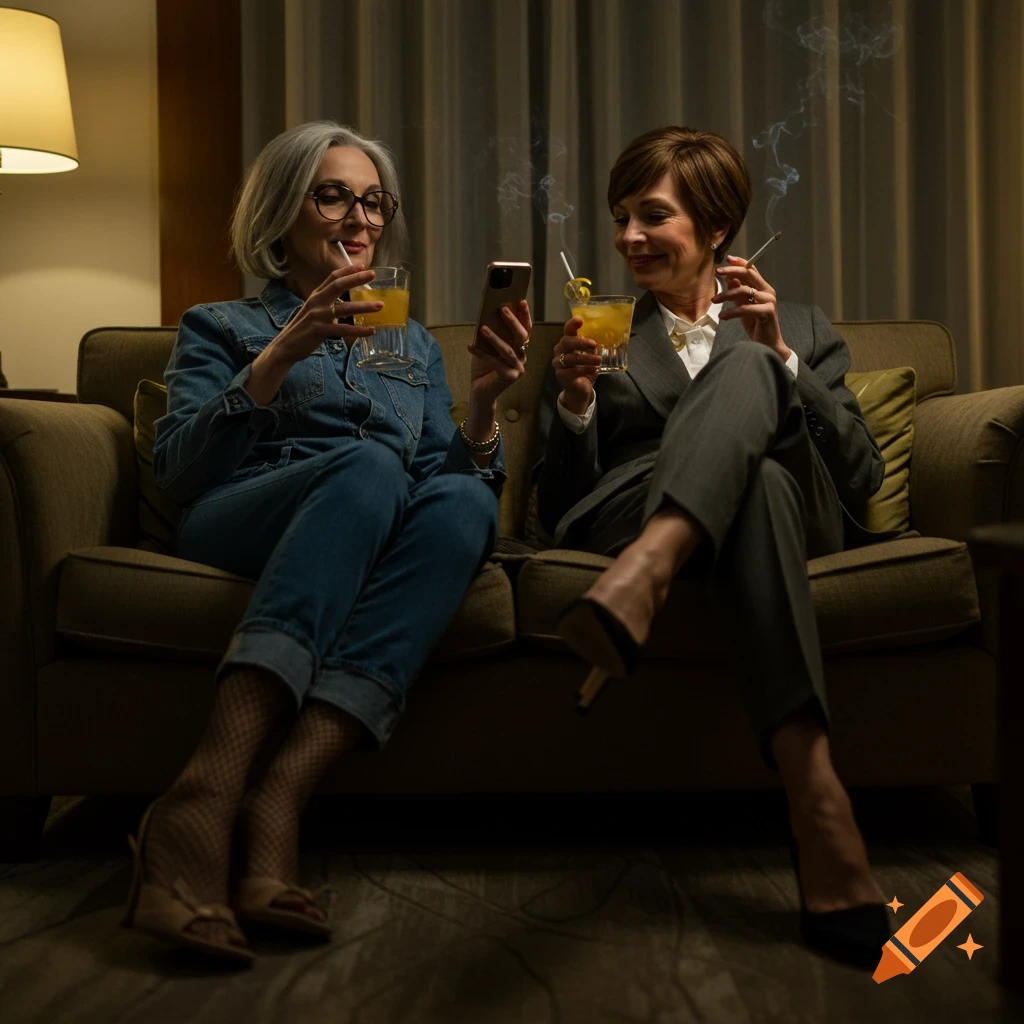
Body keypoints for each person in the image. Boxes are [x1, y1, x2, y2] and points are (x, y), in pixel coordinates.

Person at [123, 120, 531, 963]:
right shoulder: (221, 323)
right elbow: (176, 470)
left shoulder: (411, 340)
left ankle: (282, 791)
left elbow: (445, 479)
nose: (360, 217)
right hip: (243, 509)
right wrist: (282, 351)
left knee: (458, 504)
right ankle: (203, 794)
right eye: (334, 194)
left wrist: (485, 407)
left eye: (374, 201)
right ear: (283, 213)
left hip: (370, 506)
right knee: (371, 465)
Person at [536, 125, 890, 967]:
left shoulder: (797, 323)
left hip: (781, 508)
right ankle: (817, 798)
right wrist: (577, 404)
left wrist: (784, 361)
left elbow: (864, 474)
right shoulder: (602, 328)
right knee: (757, 485)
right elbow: (556, 511)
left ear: (718, 227)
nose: (627, 238)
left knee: (757, 402)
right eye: (621, 217)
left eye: (651, 216)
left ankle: (647, 572)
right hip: (629, 506)